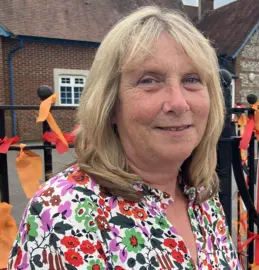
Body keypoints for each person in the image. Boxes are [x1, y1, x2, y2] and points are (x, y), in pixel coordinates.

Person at [7, 6, 241, 270]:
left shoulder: (201, 196)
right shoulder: (64, 212)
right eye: (149, 80)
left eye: (192, 79)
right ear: (110, 106)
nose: (178, 102)